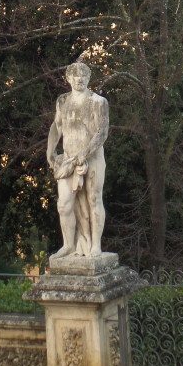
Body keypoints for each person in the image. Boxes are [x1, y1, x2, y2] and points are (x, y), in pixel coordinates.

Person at [46, 61, 109, 258]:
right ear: (68, 78)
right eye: (75, 75)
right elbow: (57, 126)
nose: (80, 79)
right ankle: (68, 245)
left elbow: (102, 133)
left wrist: (85, 154)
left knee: (94, 199)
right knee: (64, 204)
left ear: (89, 78)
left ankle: (95, 245)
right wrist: (50, 150)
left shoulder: (98, 102)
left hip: (93, 158)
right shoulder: (62, 101)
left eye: (84, 75)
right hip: (68, 159)